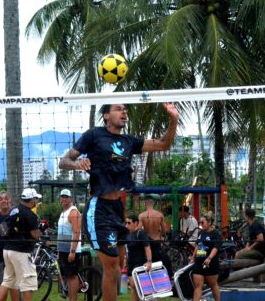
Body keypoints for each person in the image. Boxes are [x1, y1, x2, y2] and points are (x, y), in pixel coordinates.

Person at [59, 103, 178, 301]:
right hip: (99, 208)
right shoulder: (94, 135)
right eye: (118, 109)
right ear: (106, 115)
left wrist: (173, 119)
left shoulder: (128, 141)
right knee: (112, 267)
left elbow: (163, 144)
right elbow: (64, 161)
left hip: (117, 207)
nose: (124, 112)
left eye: (125, 109)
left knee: (119, 266)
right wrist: (77, 164)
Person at [0, 189, 41, 301]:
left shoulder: (14, 209)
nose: (36, 201)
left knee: (8, 281)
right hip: (21, 251)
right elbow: (35, 234)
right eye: (35, 199)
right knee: (27, 284)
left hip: (7, 250)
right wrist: (41, 232)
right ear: (32, 200)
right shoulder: (30, 214)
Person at [56, 189, 83, 301]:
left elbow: (76, 232)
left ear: (70, 198)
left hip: (71, 250)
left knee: (72, 276)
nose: (64, 198)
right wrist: (59, 250)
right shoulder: (63, 212)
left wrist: (72, 251)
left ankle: (73, 300)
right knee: (68, 276)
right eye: (62, 196)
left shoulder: (73, 212)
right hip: (63, 250)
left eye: (66, 196)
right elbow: (61, 234)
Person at [138, 194, 172, 277]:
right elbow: (164, 231)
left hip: (148, 242)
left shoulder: (142, 216)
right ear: (153, 204)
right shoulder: (159, 215)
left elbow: (138, 229)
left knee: (149, 262)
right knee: (159, 263)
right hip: (157, 241)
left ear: (145, 204)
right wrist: (160, 234)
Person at [190, 216, 221, 301]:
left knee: (213, 285)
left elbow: (216, 247)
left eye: (202, 222)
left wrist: (209, 258)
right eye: (200, 222)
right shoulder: (201, 233)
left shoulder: (215, 234)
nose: (201, 224)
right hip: (198, 263)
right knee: (198, 286)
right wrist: (193, 258)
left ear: (209, 223)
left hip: (210, 263)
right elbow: (197, 245)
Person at [124, 215, 151, 301]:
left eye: (129, 223)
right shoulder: (127, 235)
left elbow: (147, 248)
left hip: (140, 263)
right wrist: (125, 261)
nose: (127, 225)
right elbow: (126, 249)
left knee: (138, 285)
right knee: (133, 286)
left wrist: (149, 261)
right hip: (131, 263)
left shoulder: (140, 233)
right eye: (126, 223)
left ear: (136, 223)